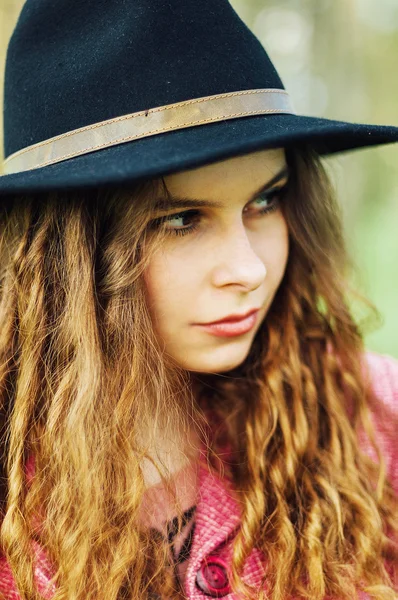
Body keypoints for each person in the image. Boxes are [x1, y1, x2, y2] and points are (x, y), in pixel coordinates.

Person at [0, 0, 397, 599]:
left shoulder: (368, 418)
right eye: (182, 219)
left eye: (265, 202)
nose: (248, 269)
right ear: (66, 258)